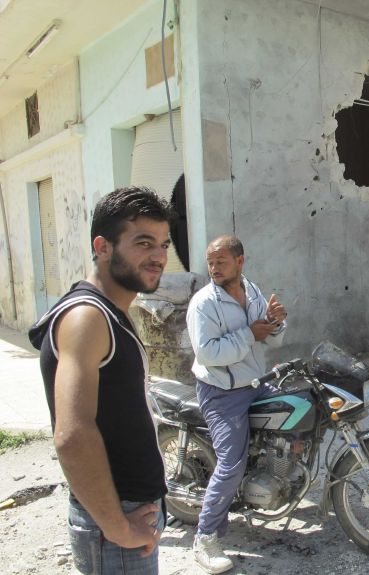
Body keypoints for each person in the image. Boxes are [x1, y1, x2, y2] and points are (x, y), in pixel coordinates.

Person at [28, 187, 173, 574]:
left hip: (127, 511)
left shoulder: (112, 312)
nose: (158, 256)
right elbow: (72, 435)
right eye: (144, 243)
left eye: (163, 244)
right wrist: (118, 527)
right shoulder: (87, 318)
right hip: (115, 522)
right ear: (103, 246)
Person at [186, 234, 287, 574]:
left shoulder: (252, 291)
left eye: (221, 262)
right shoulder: (204, 303)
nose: (214, 268)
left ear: (240, 261)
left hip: (255, 381)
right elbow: (208, 354)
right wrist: (251, 335)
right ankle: (206, 537)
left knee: (297, 414)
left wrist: (275, 323)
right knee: (231, 463)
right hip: (222, 392)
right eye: (211, 262)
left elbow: (271, 336)